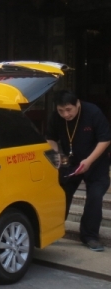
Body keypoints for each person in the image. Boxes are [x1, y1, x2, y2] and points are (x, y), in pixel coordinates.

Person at [45, 90, 111, 252]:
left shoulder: (93, 112)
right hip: (70, 161)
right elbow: (50, 138)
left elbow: (105, 139)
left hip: (96, 162)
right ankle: (53, 231)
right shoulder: (56, 117)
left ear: (78, 104)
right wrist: (56, 155)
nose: (65, 114)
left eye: (69, 110)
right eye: (61, 111)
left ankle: (90, 236)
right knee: (62, 194)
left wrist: (89, 161)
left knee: (94, 197)